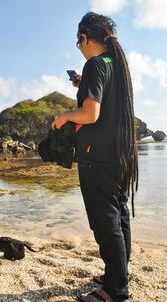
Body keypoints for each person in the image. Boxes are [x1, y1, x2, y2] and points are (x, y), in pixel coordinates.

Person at [52, 12, 138, 302]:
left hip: (97, 155)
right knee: (119, 214)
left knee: (105, 221)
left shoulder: (94, 64)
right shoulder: (116, 64)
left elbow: (90, 114)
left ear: (85, 39)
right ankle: (119, 273)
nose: (79, 48)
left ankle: (115, 290)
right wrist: (82, 86)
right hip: (121, 153)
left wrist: (64, 116)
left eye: (78, 43)